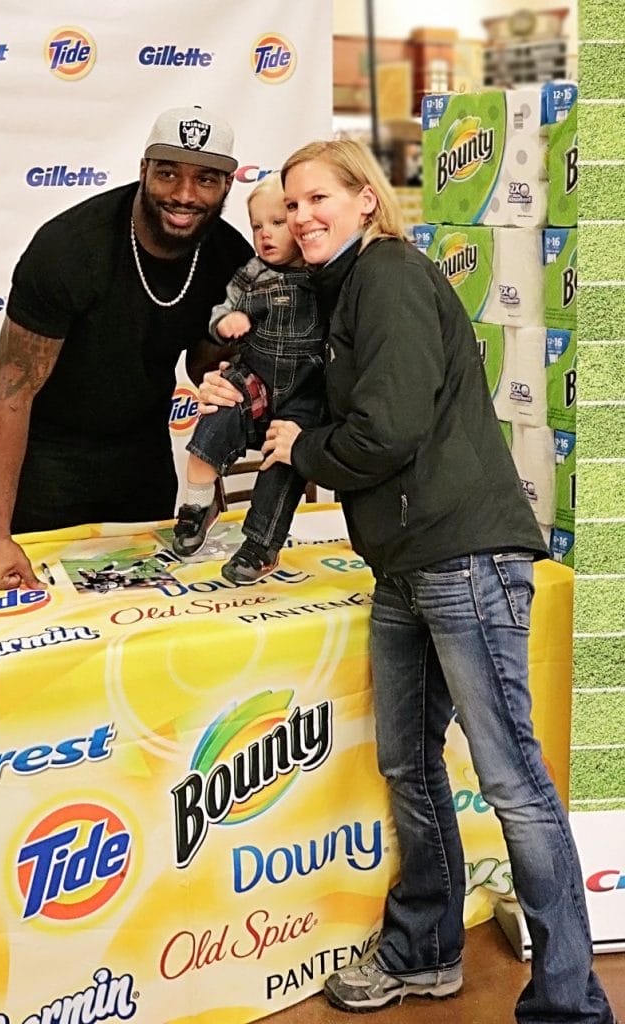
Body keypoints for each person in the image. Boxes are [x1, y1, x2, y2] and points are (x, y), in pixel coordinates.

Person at [244, 139, 613, 1020]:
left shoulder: (391, 277)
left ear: (367, 200)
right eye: (289, 206)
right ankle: (424, 950)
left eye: (317, 198)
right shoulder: (338, 296)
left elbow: (387, 429)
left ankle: (571, 1004)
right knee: (409, 766)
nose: (300, 218)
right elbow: (325, 401)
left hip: (462, 557)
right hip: (404, 566)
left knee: (512, 780)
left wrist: (306, 450)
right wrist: (253, 401)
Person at [0, 105, 252, 592]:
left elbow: (200, 367)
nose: (185, 195)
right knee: (46, 625)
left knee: (141, 617)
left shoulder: (231, 258)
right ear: (143, 170)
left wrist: (231, 337)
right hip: (52, 463)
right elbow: (11, 391)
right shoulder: (70, 248)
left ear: (227, 186)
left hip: (143, 457)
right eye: (168, 174)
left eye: (205, 180)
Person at [170, 173, 322, 584]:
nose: (265, 235)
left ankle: (262, 543)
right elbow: (220, 315)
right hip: (255, 376)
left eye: (276, 223)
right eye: (257, 226)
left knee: (283, 459)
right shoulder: (251, 273)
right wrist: (227, 323)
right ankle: (200, 505)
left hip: (305, 392)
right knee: (217, 415)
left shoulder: (322, 273)